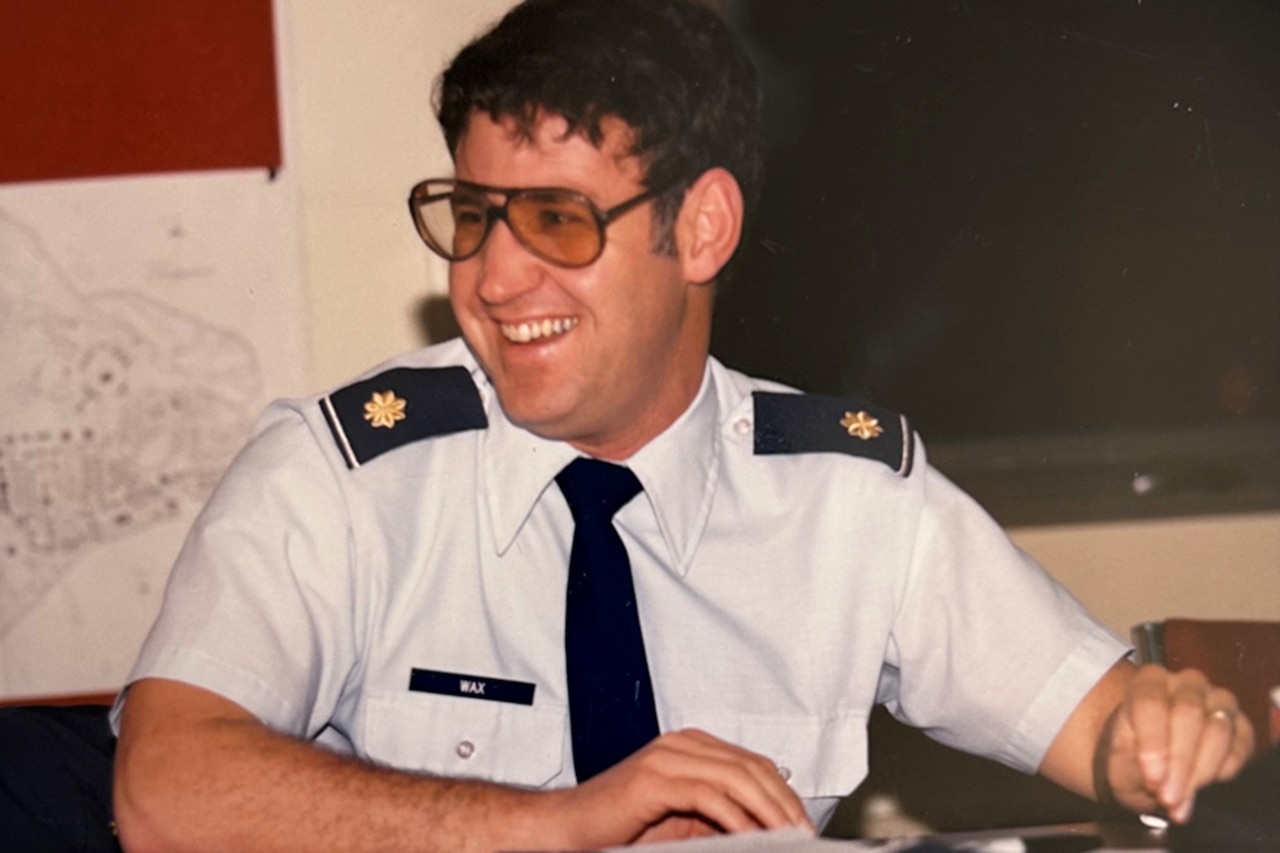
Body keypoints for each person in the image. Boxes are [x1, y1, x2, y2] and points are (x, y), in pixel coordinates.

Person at [110, 1, 1255, 851]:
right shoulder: (343, 473)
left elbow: (1101, 726)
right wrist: (560, 824)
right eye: (471, 215)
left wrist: (1156, 730)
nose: (493, 280)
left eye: (554, 219)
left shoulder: (846, 497)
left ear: (700, 229)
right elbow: (162, 788)